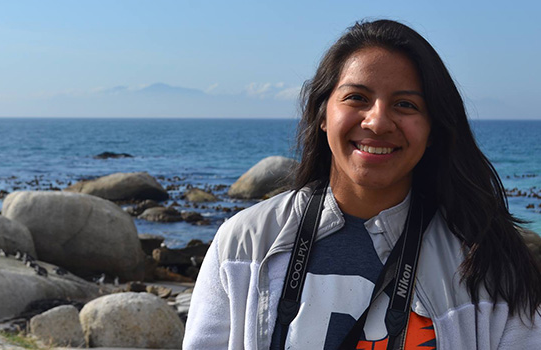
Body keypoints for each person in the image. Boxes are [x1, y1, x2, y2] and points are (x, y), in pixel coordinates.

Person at [183, 19, 541, 350]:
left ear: (433, 130)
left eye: (405, 104)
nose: (378, 121)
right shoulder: (244, 243)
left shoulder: (485, 262)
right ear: (323, 114)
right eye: (357, 98)